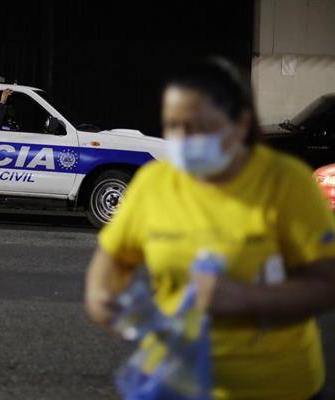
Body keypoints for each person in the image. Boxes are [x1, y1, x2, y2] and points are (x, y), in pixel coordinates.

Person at [85, 57, 335, 400]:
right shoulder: (153, 184)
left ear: (241, 123)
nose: (184, 139)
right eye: (173, 125)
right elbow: (111, 260)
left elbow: (327, 282)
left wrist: (249, 300)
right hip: (176, 384)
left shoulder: (287, 182)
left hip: (278, 387)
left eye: (200, 126)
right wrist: (105, 301)